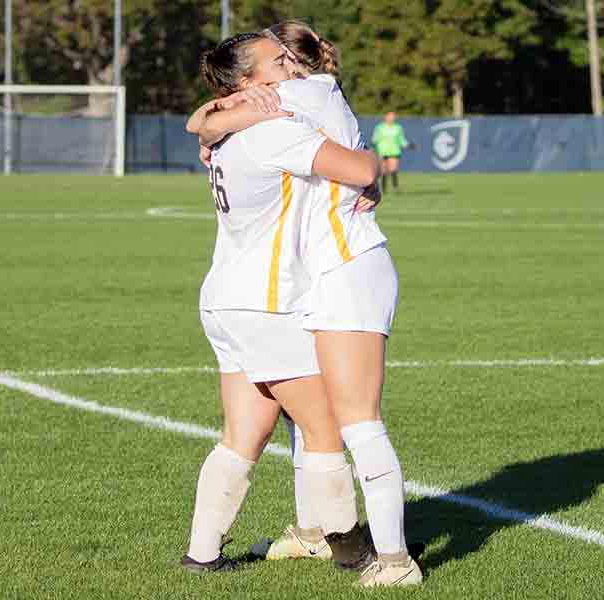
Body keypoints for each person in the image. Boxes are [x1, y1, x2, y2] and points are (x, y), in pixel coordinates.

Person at [188, 21, 421, 587]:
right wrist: (371, 175)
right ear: (248, 82)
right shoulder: (276, 126)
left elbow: (201, 122)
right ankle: (350, 549)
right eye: (277, 63)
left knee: (244, 432)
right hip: (266, 301)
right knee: (325, 430)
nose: (291, 66)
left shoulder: (225, 132)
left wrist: (217, 114)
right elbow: (363, 167)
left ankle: (202, 555)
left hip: (222, 298)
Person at [372, 111, 410, 193]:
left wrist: (408, 145)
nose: (392, 118)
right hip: (382, 150)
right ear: (386, 117)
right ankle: (383, 189)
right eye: (390, 116)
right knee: (383, 171)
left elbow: (401, 139)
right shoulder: (380, 127)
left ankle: (395, 188)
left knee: (393, 169)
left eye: (393, 116)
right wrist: (374, 145)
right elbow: (375, 138)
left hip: (394, 150)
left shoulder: (398, 127)